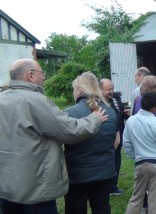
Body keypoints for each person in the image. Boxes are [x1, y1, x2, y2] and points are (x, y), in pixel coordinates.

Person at [0, 59, 107, 214]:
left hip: (8, 187)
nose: (44, 77)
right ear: (30, 75)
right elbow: (70, 130)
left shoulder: (2, 98)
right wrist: (94, 119)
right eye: (42, 73)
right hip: (35, 188)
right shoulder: (34, 101)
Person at [64, 72, 118, 214]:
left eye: (74, 89)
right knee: (102, 207)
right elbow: (116, 141)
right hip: (105, 172)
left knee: (75, 209)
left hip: (77, 174)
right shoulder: (110, 112)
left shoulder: (69, 113)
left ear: (79, 90)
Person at [123, 92, 156, 214]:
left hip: (141, 163)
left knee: (136, 197)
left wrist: (135, 156)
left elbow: (126, 143)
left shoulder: (131, 121)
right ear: (154, 108)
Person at [100, 79, 128, 196]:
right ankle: (104, 187)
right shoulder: (97, 103)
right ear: (100, 90)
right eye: (108, 90)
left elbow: (119, 114)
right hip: (105, 139)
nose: (111, 91)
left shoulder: (116, 99)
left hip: (118, 135)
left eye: (112, 88)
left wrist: (125, 113)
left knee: (117, 160)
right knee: (105, 162)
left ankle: (113, 187)